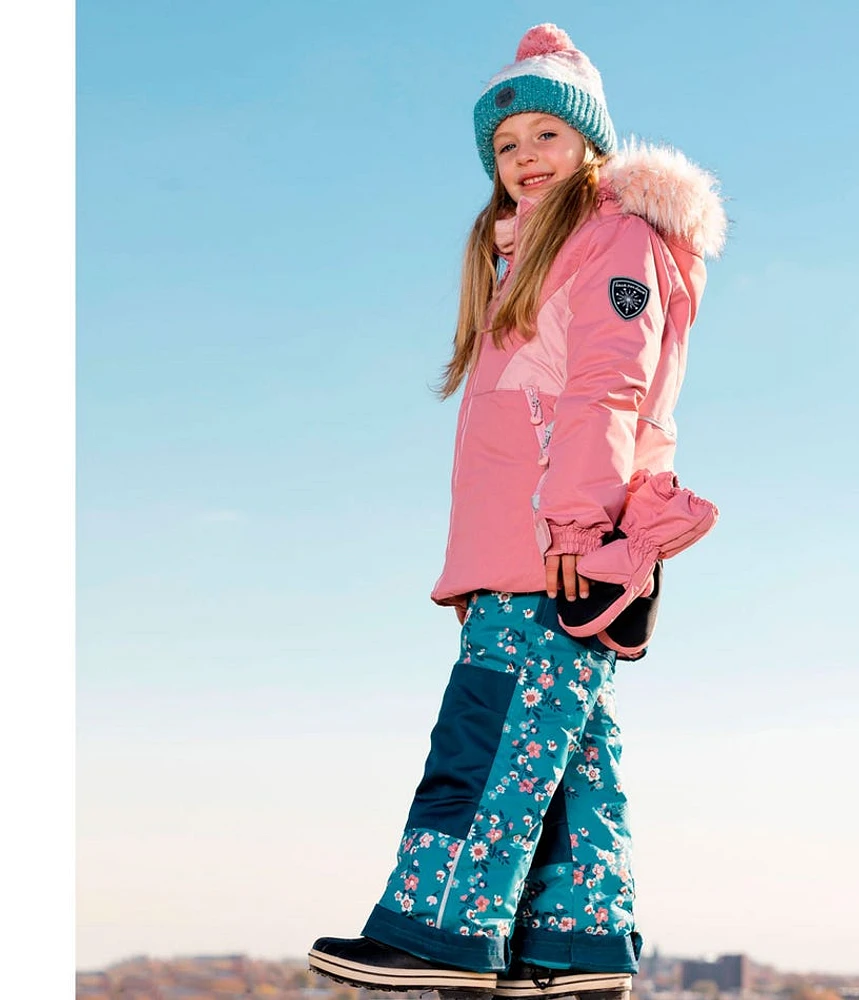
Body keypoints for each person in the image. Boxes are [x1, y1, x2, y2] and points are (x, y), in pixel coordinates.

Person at [308, 22, 726, 1000]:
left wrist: (574, 527)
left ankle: (441, 930)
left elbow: (607, 391)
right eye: (505, 144)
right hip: (527, 547)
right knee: (570, 751)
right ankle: (578, 947)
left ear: (590, 142)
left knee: (488, 734)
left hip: (557, 545)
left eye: (546, 134)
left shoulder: (612, 239)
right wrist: (477, 562)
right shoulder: (528, 254)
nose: (525, 157)